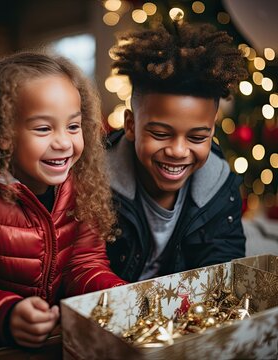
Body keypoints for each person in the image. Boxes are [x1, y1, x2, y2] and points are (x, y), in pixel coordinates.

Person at [0, 51, 126, 347]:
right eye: (43, 128)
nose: (64, 142)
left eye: (73, 126)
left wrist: (114, 292)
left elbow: (84, 263)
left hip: (54, 341)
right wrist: (7, 314)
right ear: (3, 134)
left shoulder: (80, 187)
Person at [106, 20, 248, 282]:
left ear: (212, 132)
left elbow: (223, 261)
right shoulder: (96, 183)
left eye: (197, 137)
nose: (178, 151)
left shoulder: (219, 186)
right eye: (160, 134)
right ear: (130, 125)